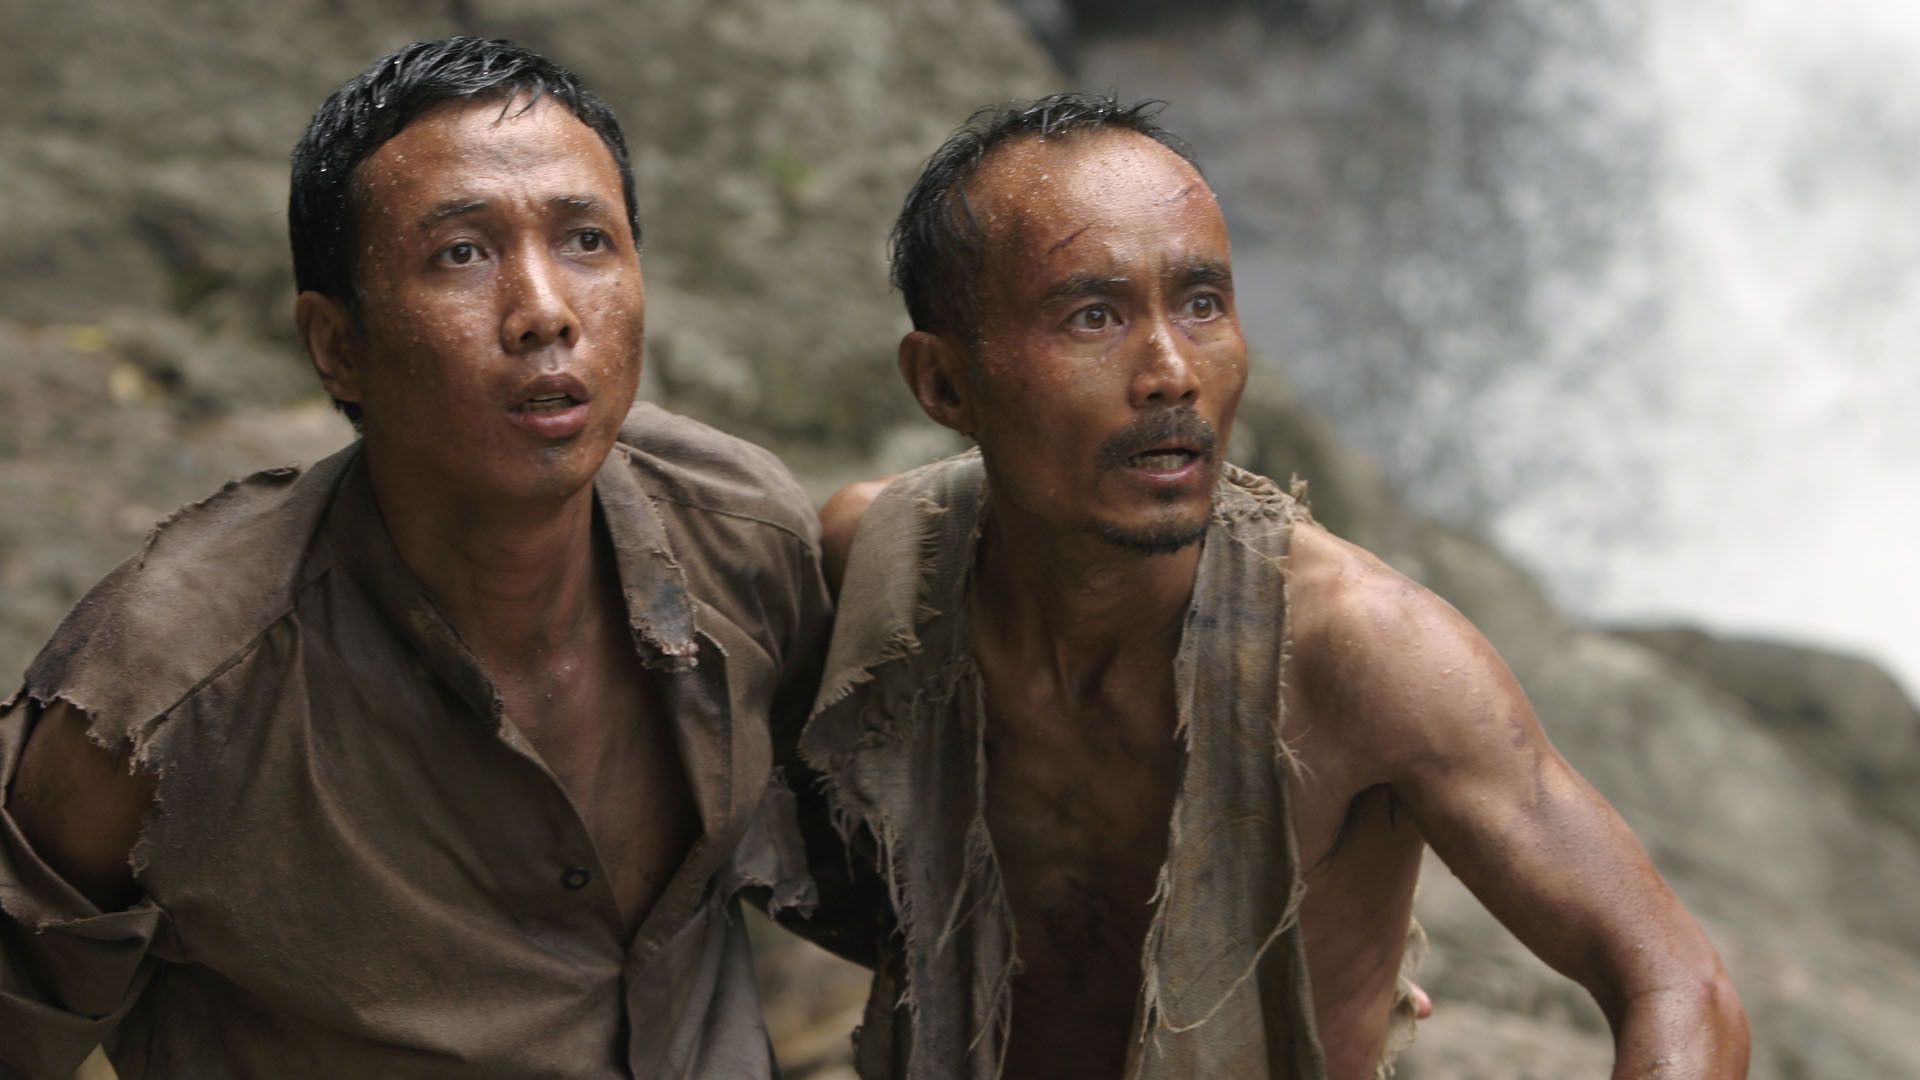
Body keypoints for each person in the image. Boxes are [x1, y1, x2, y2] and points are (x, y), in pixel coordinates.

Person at [800, 95, 1749, 1079]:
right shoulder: (884, 569)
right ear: (946, 386)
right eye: (1094, 315)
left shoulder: (1363, 649)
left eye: (1203, 303)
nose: (1171, 371)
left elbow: (1680, 986)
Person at [0, 37, 828, 1078]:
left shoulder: (740, 535)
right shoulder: (174, 685)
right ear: (336, 344)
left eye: (585, 240)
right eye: (461, 255)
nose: (545, 313)